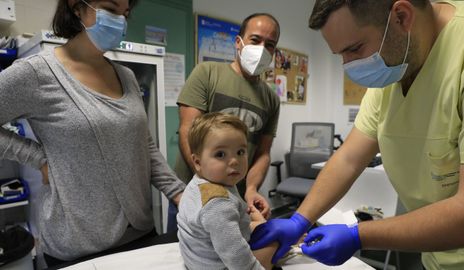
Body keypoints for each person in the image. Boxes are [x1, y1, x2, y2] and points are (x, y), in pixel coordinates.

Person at [250, 1, 464, 269]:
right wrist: (300, 220)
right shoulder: (397, 64)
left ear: (402, 17)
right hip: (438, 256)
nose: (349, 66)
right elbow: (348, 158)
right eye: (340, 55)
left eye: (355, 49)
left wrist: (358, 236)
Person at [0, 0, 185, 266]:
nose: (120, 21)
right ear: (77, 7)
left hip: (140, 233)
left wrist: (179, 193)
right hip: (77, 244)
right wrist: (39, 159)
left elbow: (144, 144)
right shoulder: (36, 73)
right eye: (110, 9)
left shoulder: (127, 76)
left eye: (125, 13)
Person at [173, 13, 281, 221]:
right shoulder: (207, 73)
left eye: (269, 44)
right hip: (193, 193)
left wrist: (250, 188)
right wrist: (208, 182)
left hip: (236, 199)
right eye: (255, 40)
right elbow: (188, 130)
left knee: (232, 250)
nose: (261, 49)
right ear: (238, 42)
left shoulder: (271, 99)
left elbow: (263, 153)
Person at [177, 112, 277, 270]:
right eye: (220, 154)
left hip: (197, 260)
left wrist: (250, 217)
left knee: (265, 227)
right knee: (277, 241)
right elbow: (236, 255)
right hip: (219, 266)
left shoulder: (201, 183)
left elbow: (226, 225)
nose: (234, 161)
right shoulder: (218, 203)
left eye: (240, 152)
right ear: (197, 161)